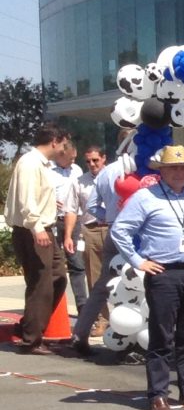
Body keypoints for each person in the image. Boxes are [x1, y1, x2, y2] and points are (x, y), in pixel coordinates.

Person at [109, 144, 184, 410]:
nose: (179, 173)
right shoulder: (145, 197)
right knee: (162, 337)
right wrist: (139, 262)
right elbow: (120, 229)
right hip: (164, 273)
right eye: (173, 168)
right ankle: (158, 394)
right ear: (162, 171)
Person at [71, 126, 142, 355]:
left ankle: (80, 332)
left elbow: (92, 206)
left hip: (113, 230)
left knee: (103, 285)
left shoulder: (106, 172)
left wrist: (108, 218)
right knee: (147, 283)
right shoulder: (141, 170)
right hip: (140, 234)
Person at [5, 122, 70, 353]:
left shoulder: (41, 165)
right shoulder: (31, 163)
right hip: (33, 230)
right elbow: (26, 200)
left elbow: (35, 196)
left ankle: (30, 326)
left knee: (58, 276)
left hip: (43, 226)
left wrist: (51, 204)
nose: (64, 148)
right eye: (63, 144)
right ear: (54, 142)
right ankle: (31, 338)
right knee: (40, 282)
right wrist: (37, 227)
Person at [49, 137, 88, 317]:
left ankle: (82, 305)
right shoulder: (47, 170)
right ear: (61, 154)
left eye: (75, 158)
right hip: (53, 220)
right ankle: (53, 307)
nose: (73, 161)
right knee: (53, 266)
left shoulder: (77, 170)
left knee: (77, 264)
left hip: (74, 221)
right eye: (70, 158)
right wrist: (48, 201)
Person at [75, 145, 107, 330]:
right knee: (95, 278)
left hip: (112, 228)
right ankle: (103, 319)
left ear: (104, 158)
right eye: (88, 161)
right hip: (91, 229)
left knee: (121, 276)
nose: (92, 164)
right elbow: (73, 209)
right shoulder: (80, 181)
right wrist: (71, 235)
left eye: (95, 160)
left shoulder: (114, 176)